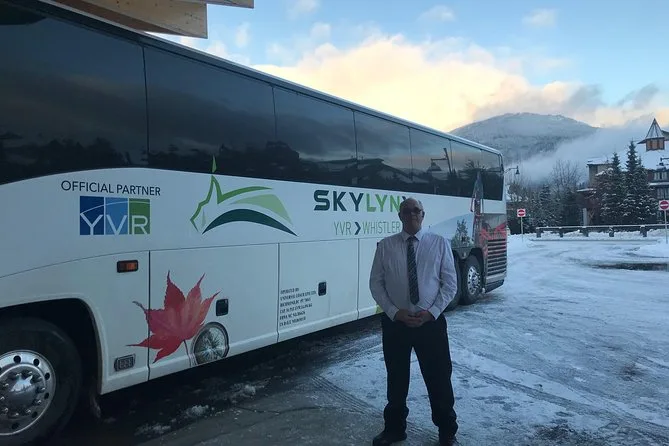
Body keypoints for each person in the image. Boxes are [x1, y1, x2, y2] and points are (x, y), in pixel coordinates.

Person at [369, 197, 460, 446]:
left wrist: (432, 312)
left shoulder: (439, 244)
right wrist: (393, 312)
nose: (412, 214)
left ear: (423, 214)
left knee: (439, 379)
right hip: (396, 324)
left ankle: (447, 432)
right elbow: (376, 283)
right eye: (406, 211)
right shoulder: (385, 246)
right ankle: (394, 429)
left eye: (416, 210)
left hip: (430, 324)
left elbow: (450, 284)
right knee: (396, 379)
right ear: (400, 216)